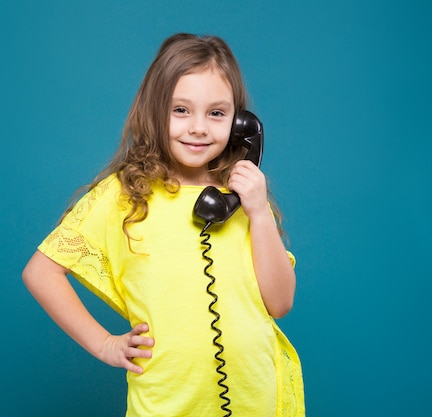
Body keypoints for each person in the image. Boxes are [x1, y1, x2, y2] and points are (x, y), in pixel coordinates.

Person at [22, 33, 305, 416]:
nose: (199, 128)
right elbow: (41, 272)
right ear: (155, 111)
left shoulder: (243, 193)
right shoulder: (124, 195)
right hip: (166, 404)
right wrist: (106, 344)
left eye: (217, 113)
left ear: (240, 123)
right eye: (181, 110)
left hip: (255, 399)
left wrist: (257, 212)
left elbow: (281, 302)